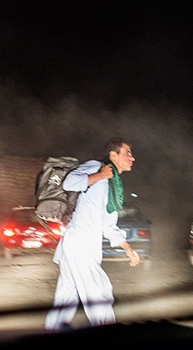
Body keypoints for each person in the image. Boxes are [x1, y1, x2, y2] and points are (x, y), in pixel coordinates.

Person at [44, 137, 140, 331]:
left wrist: (127, 247)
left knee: (66, 298)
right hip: (80, 243)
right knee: (99, 294)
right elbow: (69, 183)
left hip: (80, 246)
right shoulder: (97, 166)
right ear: (113, 155)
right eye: (127, 153)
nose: (132, 157)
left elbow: (108, 225)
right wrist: (100, 175)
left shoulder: (114, 185)